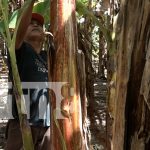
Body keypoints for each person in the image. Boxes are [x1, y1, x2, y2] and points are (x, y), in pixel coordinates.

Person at [5, 0, 51, 149]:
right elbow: (19, 32)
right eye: (31, 23)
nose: (36, 25)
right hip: (21, 124)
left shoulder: (47, 57)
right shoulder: (20, 50)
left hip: (47, 125)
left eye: (39, 24)